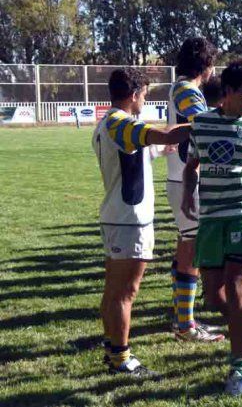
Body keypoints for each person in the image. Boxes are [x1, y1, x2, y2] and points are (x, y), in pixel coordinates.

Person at [181, 61, 242, 395]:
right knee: (213, 296)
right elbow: (192, 165)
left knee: (238, 289)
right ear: (227, 93)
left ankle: (238, 370)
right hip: (211, 218)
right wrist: (186, 193)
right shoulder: (203, 124)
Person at [93, 67, 192, 377]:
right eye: (145, 96)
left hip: (118, 217)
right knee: (125, 293)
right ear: (134, 95)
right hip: (129, 220)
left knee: (114, 291)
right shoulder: (121, 122)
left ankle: (113, 351)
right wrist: (204, 122)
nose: (145, 102)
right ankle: (122, 359)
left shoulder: (113, 123)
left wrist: (164, 147)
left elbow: (148, 147)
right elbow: (163, 134)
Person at [164, 37, 224, 343]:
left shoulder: (183, 88)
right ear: (208, 65)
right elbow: (204, 125)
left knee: (186, 244)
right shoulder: (186, 89)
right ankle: (185, 325)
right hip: (186, 180)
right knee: (191, 249)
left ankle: (182, 317)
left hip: (179, 178)